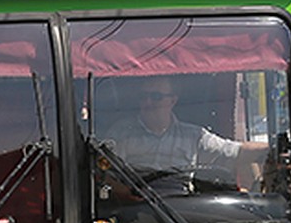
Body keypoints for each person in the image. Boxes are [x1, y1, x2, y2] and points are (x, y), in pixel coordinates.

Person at [103, 77, 265, 195]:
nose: (148, 102)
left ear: (172, 101)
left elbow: (235, 151)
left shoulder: (194, 136)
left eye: (156, 97)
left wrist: (273, 148)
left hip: (182, 213)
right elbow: (103, 173)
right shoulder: (121, 134)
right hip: (136, 208)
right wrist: (124, 194)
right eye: (143, 96)